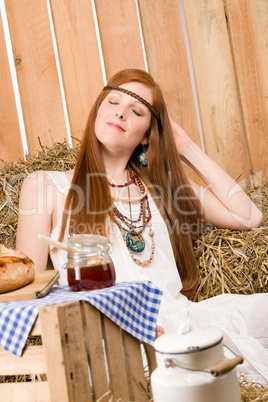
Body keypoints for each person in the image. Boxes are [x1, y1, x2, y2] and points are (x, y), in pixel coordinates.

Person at [16, 69, 267, 385]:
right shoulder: (44, 186)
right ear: (97, 111)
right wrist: (119, 328)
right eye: (113, 101)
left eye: (136, 111)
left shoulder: (161, 188)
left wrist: (186, 147)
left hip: (184, 319)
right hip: (115, 336)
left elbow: (248, 217)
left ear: (147, 135)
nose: (120, 111)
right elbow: (28, 291)